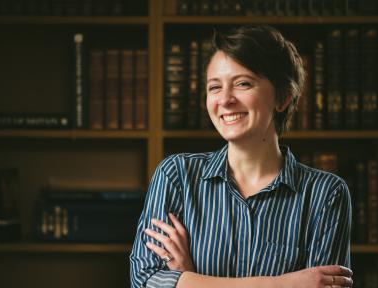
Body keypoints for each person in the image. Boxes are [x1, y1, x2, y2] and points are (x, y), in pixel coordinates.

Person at [130, 25, 352, 288]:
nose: (224, 100)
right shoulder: (176, 175)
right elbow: (145, 281)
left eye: (243, 83)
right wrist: (283, 284)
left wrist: (188, 278)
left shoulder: (326, 195)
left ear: (282, 98)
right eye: (214, 87)